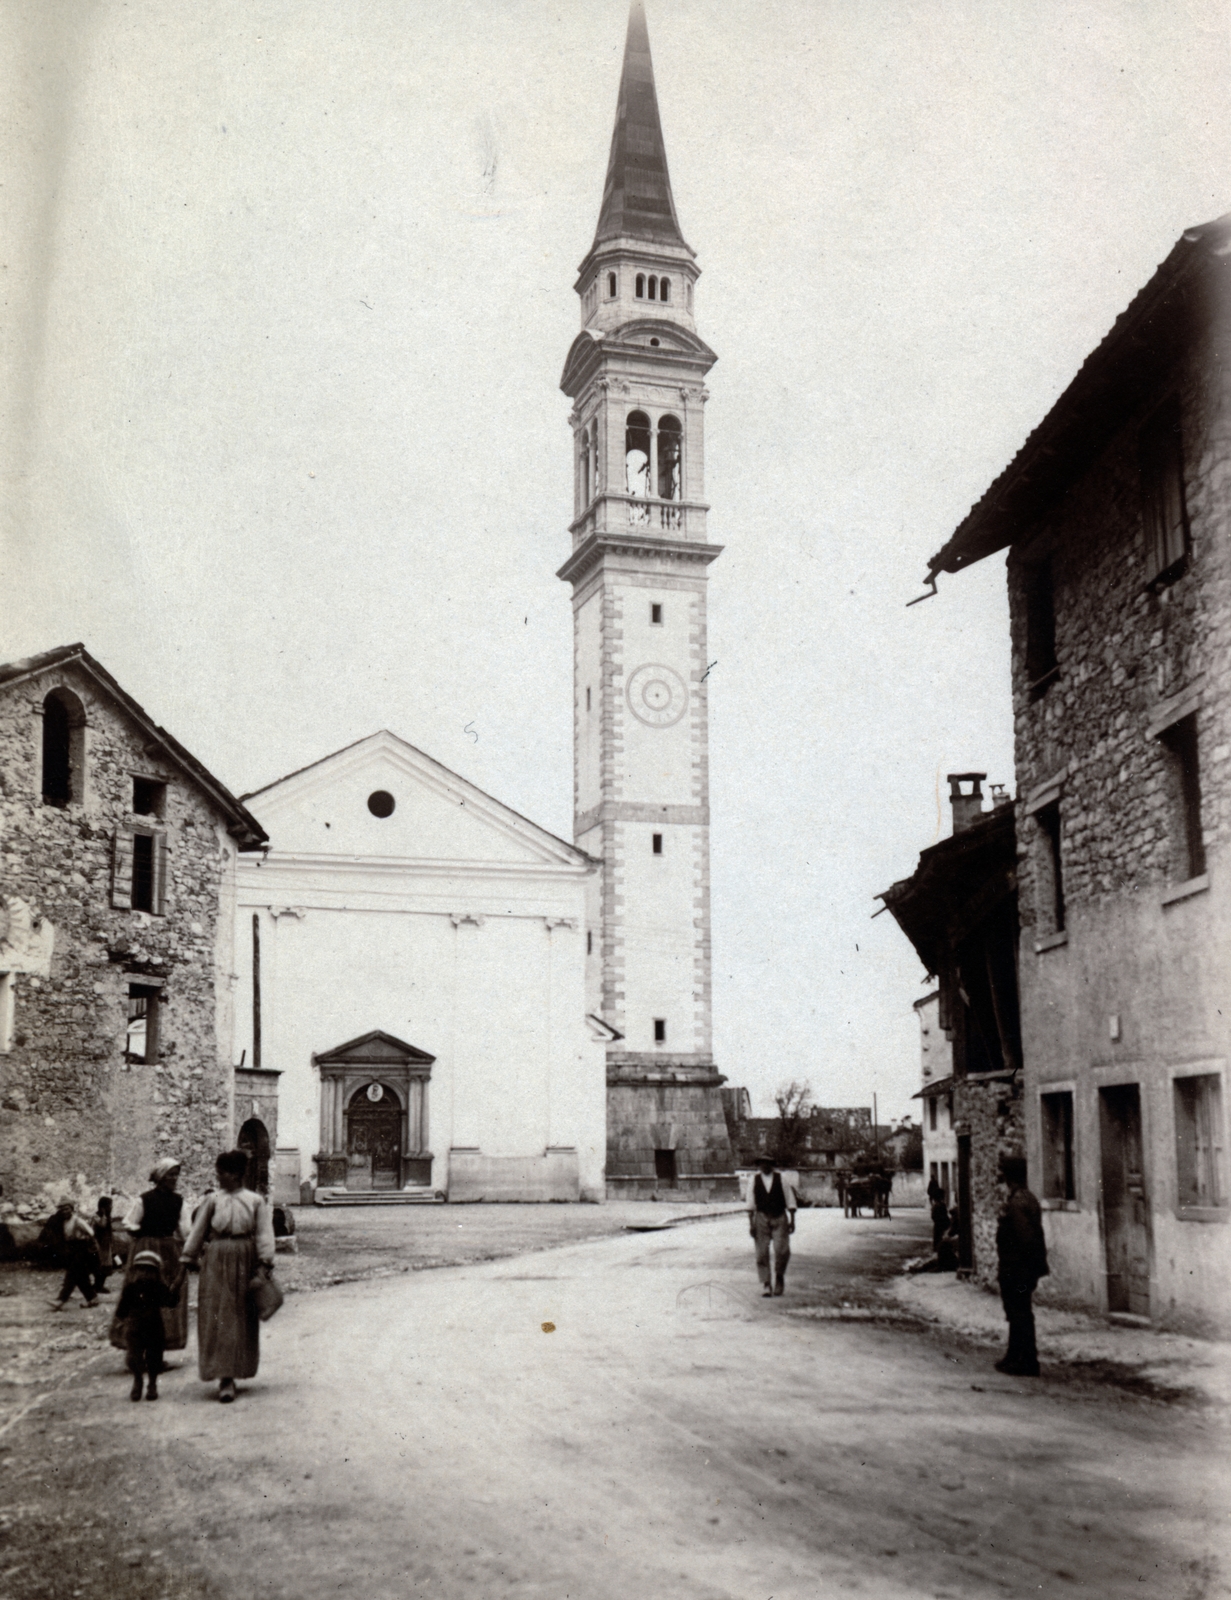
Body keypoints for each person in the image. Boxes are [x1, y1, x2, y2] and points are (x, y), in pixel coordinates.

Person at [181, 1149, 276, 1403]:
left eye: (222, 1173)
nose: (219, 1177)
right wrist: (188, 1257)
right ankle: (224, 1377)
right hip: (216, 1260)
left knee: (239, 1317)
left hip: (245, 1258)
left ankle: (236, 1371)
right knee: (219, 1316)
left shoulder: (255, 1201)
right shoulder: (212, 1200)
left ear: (235, 1175)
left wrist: (265, 1264)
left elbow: (264, 1235)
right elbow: (198, 1231)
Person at [119, 1158, 189, 1353]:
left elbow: (185, 1231)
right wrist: (140, 1234)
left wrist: (188, 1250)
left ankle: (160, 1346)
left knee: (167, 1293)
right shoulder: (144, 1199)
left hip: (169, 1251)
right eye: (170, 1175)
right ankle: (137, 1347)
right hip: (145, 1250)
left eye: (176, 1174)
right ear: (160, 1177)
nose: (174, 1179)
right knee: (141, 1294)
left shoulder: (179, 1201)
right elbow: (130, 1223)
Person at [995, 1154, 1049, 1377]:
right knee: (1016, 1310)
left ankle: (1027, 1360)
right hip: (1020, 1267)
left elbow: (1025, 1238)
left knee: (1020, 1312)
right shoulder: (1026, 1197)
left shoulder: (1018, 1202)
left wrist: (1020, 1268)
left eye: (1004, 1174)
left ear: (1010, 1177)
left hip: (1017, 1267)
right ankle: (1014, 1354)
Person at [115, 1250, 182, 1401]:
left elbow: (170, 1302)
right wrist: (121, 1322)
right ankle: (137, 1381)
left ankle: (152, 1384)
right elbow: (122, 1309)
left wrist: (175, 1290)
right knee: (134, 1357)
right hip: (135, 1328)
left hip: (154, 1327)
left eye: (149, 1270)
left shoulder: (158, 1287)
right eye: (141, 1269)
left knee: (154, 1357)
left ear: (156, 1272)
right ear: (135, 1271)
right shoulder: (130, 1289)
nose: (144, 1273)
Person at [746, 1155, 798, 1297]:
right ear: (759, 1165)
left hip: (779, 1216)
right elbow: (750, 1202)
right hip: (761, 1217)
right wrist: (751, 1224)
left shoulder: (782, 1178)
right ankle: (766, 1283)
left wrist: (792, 1220)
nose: (764, 1166)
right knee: (761, 1252)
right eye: (761, 1163)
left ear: (772, 1164)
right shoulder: (754, 1180)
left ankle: (779, 1278)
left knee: (782, 1250)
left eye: (767, 1163)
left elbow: (790, 1199)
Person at [49, 1201, 102, 1310]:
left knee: (71, 1274)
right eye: (62, 1209)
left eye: (67, 1209)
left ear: (72, 1209)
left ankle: (61, 1300)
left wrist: (88, 1243)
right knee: (81, 1277)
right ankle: (92, 1298)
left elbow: (91, 1232)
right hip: (71, 1249)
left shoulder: (78, 1221)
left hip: (81, 1249)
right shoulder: (65, 1222)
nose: (64, 1211)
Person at [930, 1188, 950, 1255]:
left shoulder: (935, 1206)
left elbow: (933, 1216)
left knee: (937, 1239)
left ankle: (937, 1251)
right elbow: (945, 1215)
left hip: (937, 1225)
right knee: (941, 1239)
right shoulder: (942, 1205)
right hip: (942, 1225)